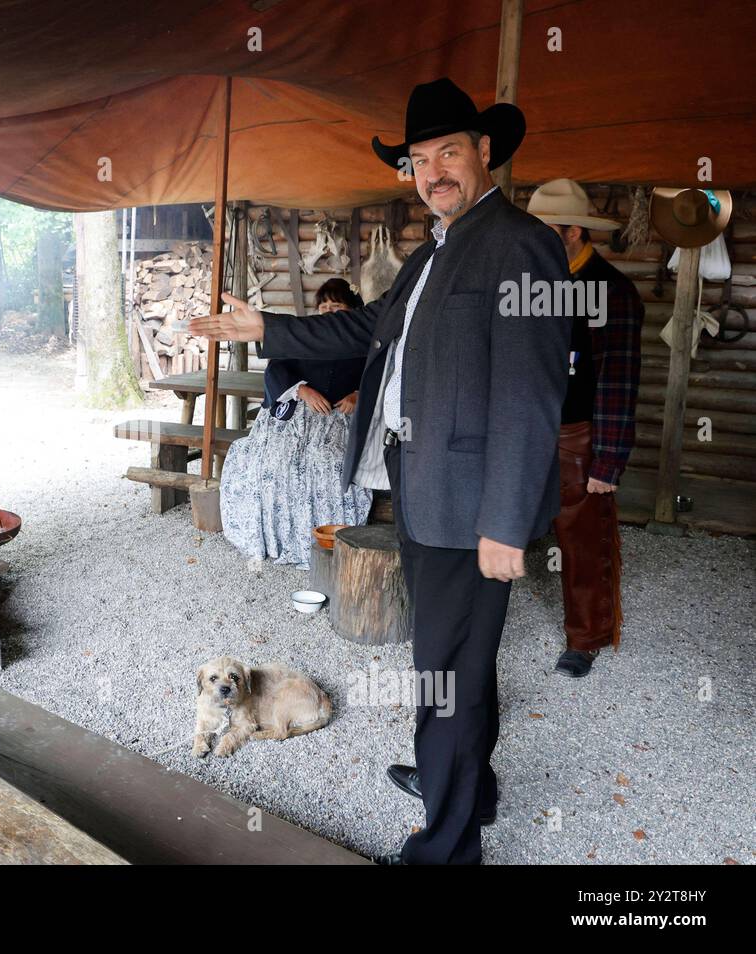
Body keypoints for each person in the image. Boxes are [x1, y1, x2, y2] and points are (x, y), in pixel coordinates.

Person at [191, 77, 572, 864]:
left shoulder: (518, 243)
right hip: (430, 496)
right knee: (457, 665)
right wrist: (267, 323)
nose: (433, 171)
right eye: (419, 159)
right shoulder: (433, 250)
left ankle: (445, 846)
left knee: (447, 678)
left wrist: (506, 520)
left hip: (472, 513)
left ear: (485, 152)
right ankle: (466, 788)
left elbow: (534, 391)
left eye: (449, 152)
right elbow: (365, 329)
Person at [526, 179, 644, 678]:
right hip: (523, 430)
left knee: (582, 539)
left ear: (574, 231)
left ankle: (586, 637)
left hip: (576, 436)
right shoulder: (529, 284)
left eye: (545, 232)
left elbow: (617, 380)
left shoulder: (612, 292)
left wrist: (607, 461)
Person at [220, 279, 370, 565]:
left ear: (352, 311)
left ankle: (320, 540)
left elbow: (379, 374)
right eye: (324, 306)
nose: (328, 312)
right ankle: (280, 537)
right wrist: (302, 389)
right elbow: (276, 369)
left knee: (328, 462)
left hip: (338, 417)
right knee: (268, 461)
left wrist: (358, 394)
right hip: (297, 414)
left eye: (336, 307)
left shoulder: (363, 341)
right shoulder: (307, 334)